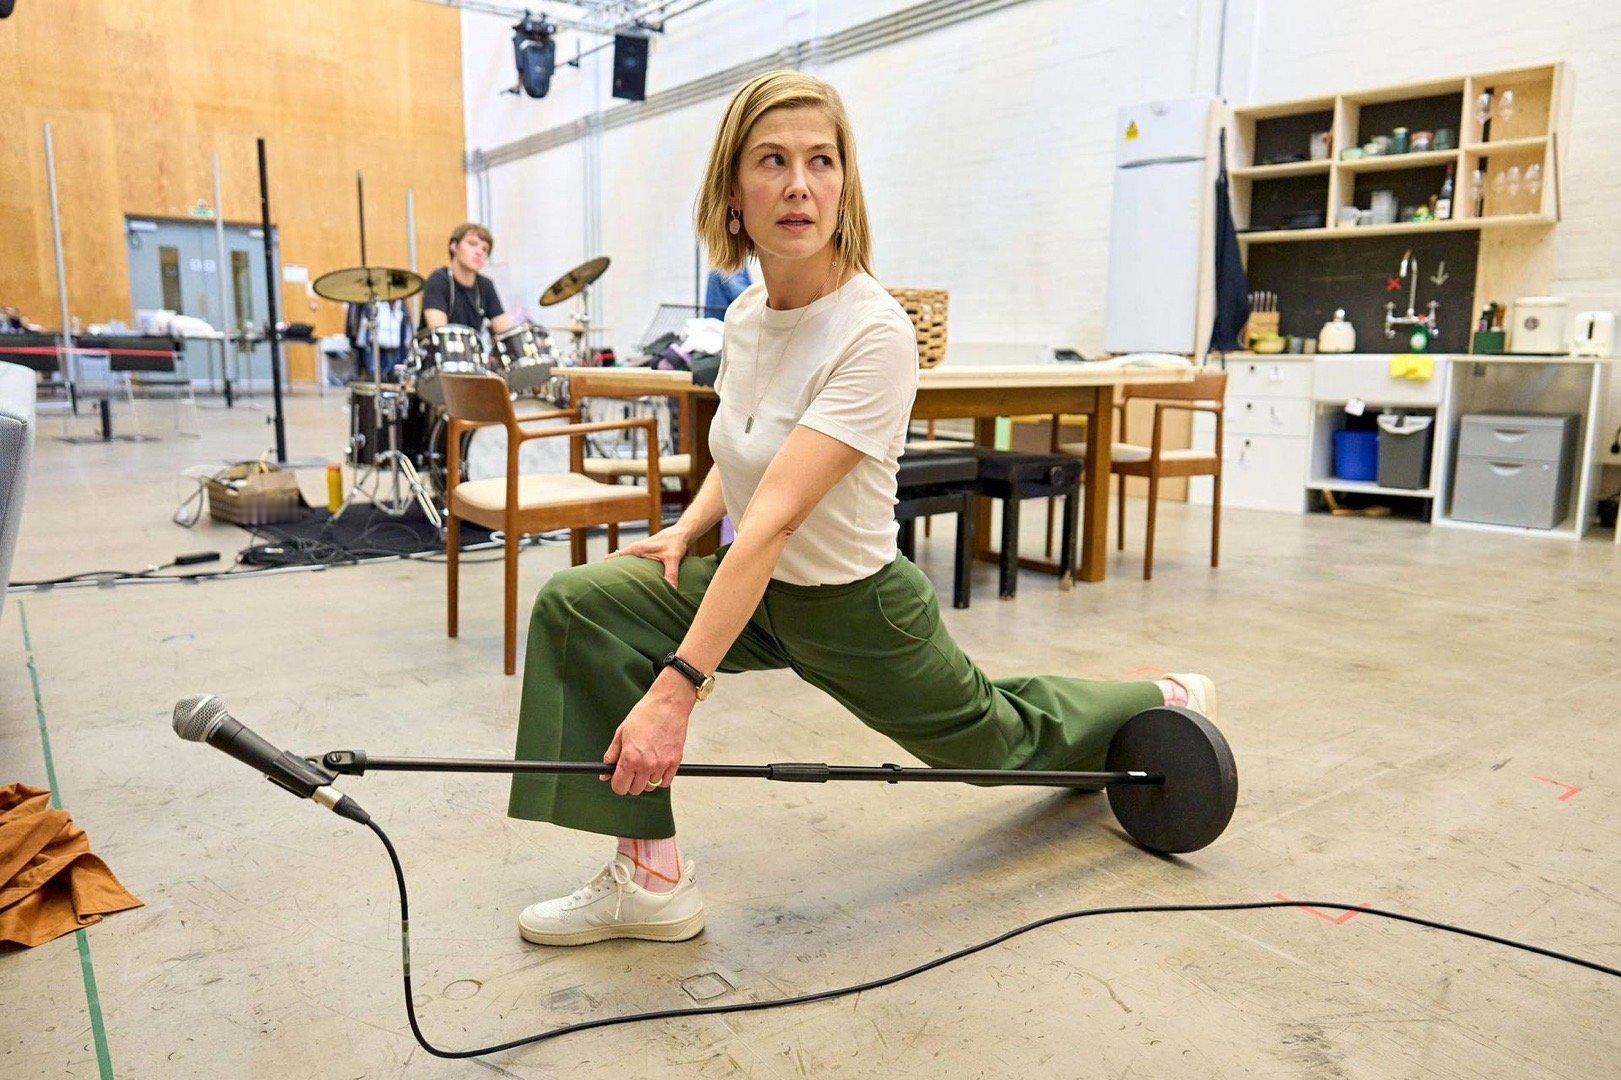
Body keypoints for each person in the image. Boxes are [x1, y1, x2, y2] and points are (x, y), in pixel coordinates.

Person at [507, 71, 1218, 947]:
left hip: (851, 605)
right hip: (753, 590)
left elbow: (774, 519)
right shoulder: (746, 317)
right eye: (772, 161)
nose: (798, 185)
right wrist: (687, 528)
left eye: (820, 161)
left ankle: (1157, 696)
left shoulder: (872, 332)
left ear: (845, 187)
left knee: (994, 744)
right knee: (581, 605)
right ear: (733, 192)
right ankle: (651, 879)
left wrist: (678, 686)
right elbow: (745, 449)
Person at [420, 222, 515, 337]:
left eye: (485, 249)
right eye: (472, 244)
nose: (479, 252)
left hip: (472, 348)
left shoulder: (486, 285)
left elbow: (506, 332)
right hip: (439, 347)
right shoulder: (438, 280)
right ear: (454, 246)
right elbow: (439, 332)